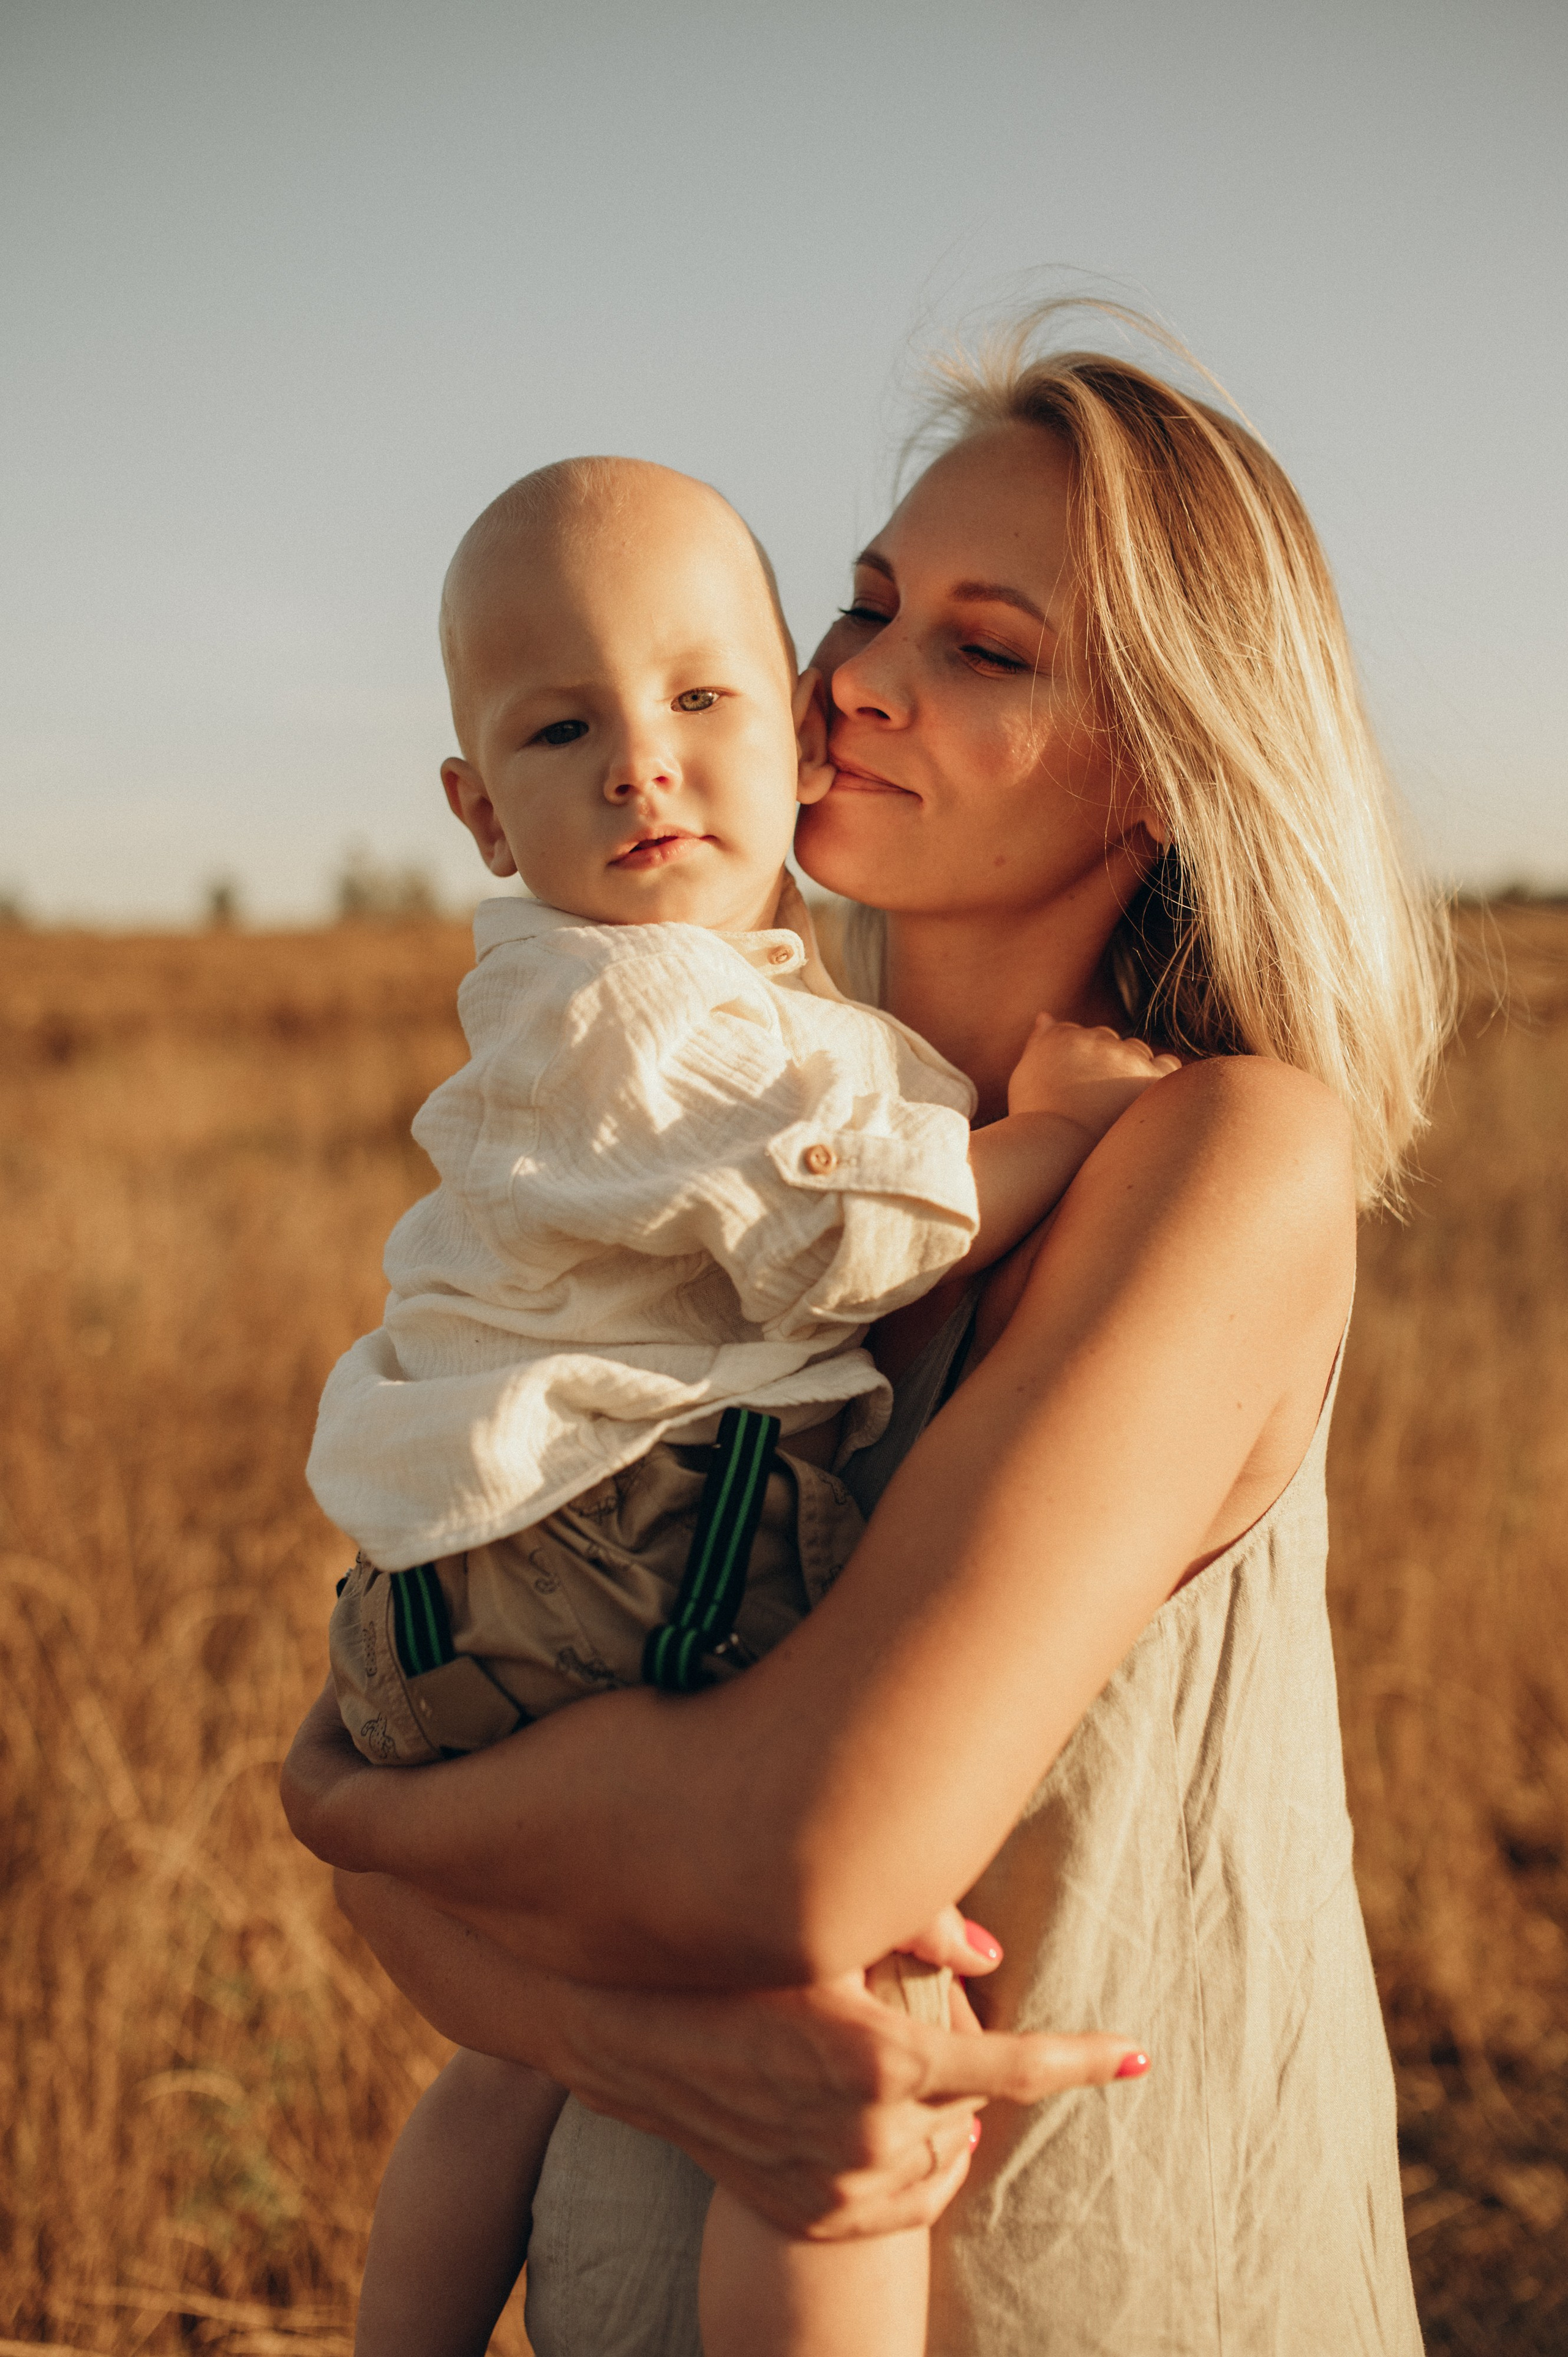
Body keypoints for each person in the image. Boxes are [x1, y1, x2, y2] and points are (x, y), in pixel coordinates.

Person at [283, 308, 1450, 2355]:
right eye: (868, 603)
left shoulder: (1222, 1155)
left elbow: (801, 1854)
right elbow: (447, 1694)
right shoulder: (763, 1144)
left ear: (1167, 772)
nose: (856, 683)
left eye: (984, 651)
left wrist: (374, 1831)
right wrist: (620, 2035)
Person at [306, 453, 1170, 2357]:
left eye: (701, 698)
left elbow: (332, 1801)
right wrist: (1051, 1139)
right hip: (617, 1545)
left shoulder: (675, 994)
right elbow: (842, 1236)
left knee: (506, 2069)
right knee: (863, 2020)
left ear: (778, 730)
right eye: (564, 727)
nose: (641, 763)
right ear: (476, 809)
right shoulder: (645, 1012)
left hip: (470, 1582)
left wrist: (362, 1814)